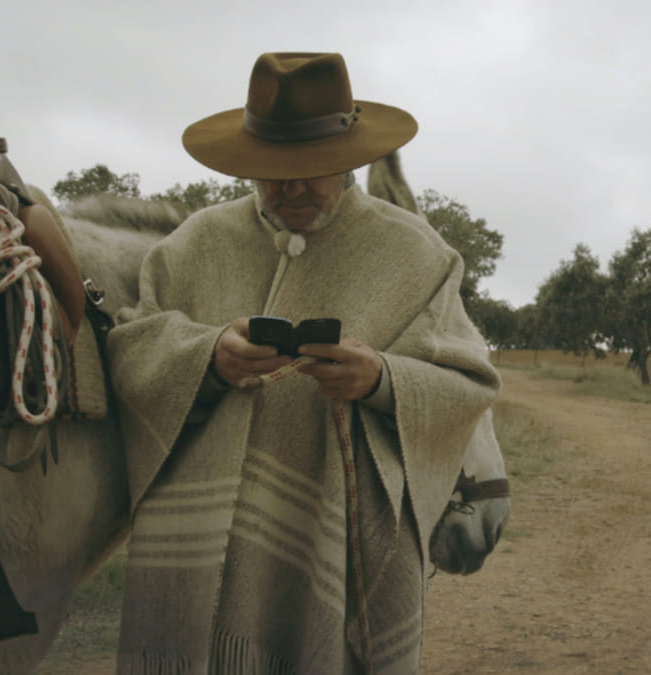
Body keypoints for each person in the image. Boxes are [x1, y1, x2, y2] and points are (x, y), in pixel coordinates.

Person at [107, 52, 501, 674]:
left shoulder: (418, 255)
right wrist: (206, 357)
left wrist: (382, 380)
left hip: (337, 535)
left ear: (348, 159)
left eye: (309, 170)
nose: (291, 189)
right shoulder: (193, 245)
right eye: (273, 172)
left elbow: (469, 382)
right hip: (200, 542)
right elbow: (131, 350)